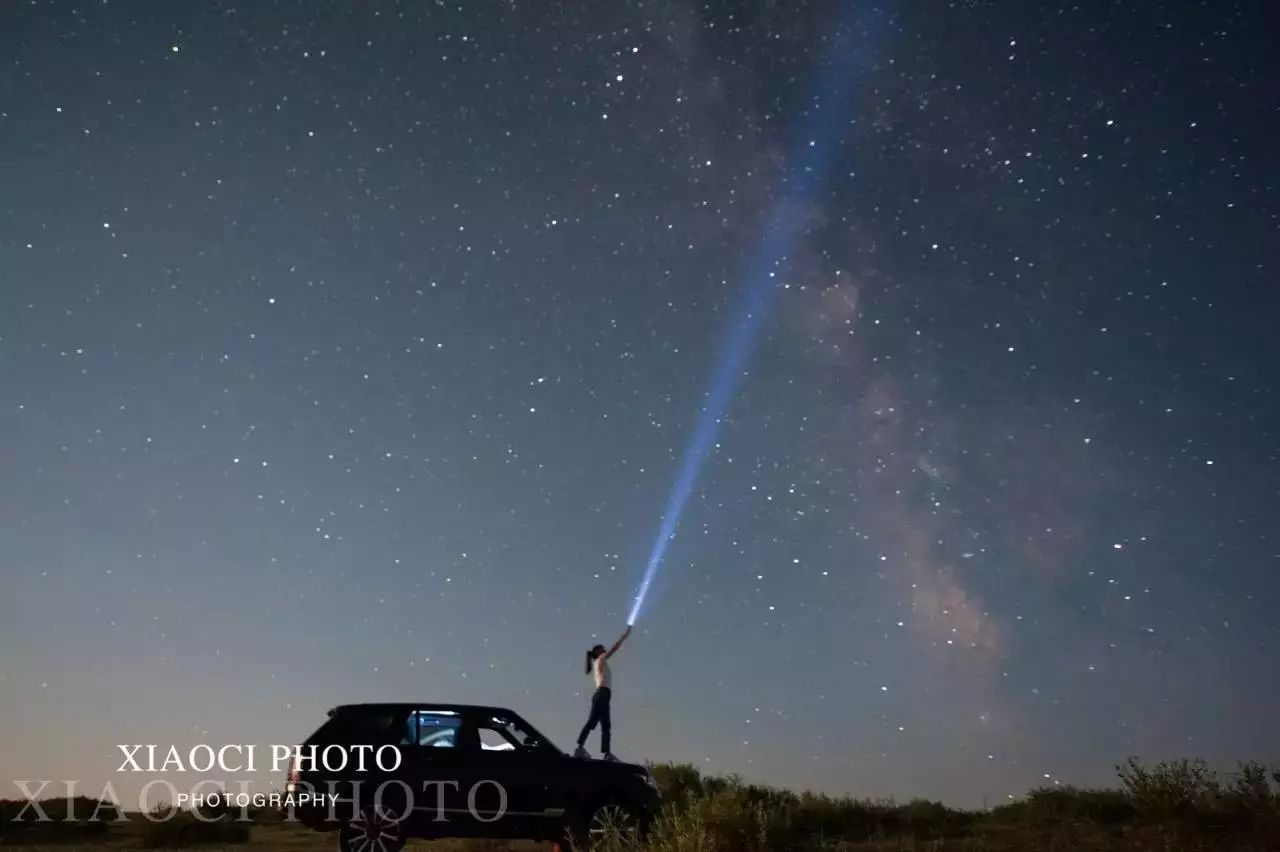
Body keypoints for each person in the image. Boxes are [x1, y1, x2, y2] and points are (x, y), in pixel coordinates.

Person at [574, 625, 631, 760]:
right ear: (599, 652)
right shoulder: (600, 659)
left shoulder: (599, 662)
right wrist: (624, 635)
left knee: (605, 725)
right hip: (602, 694)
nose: (605, 649)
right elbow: (614, 648)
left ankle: (606, 753)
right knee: (593, 722)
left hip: (604, 695)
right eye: (602, 649)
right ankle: (580, 748)